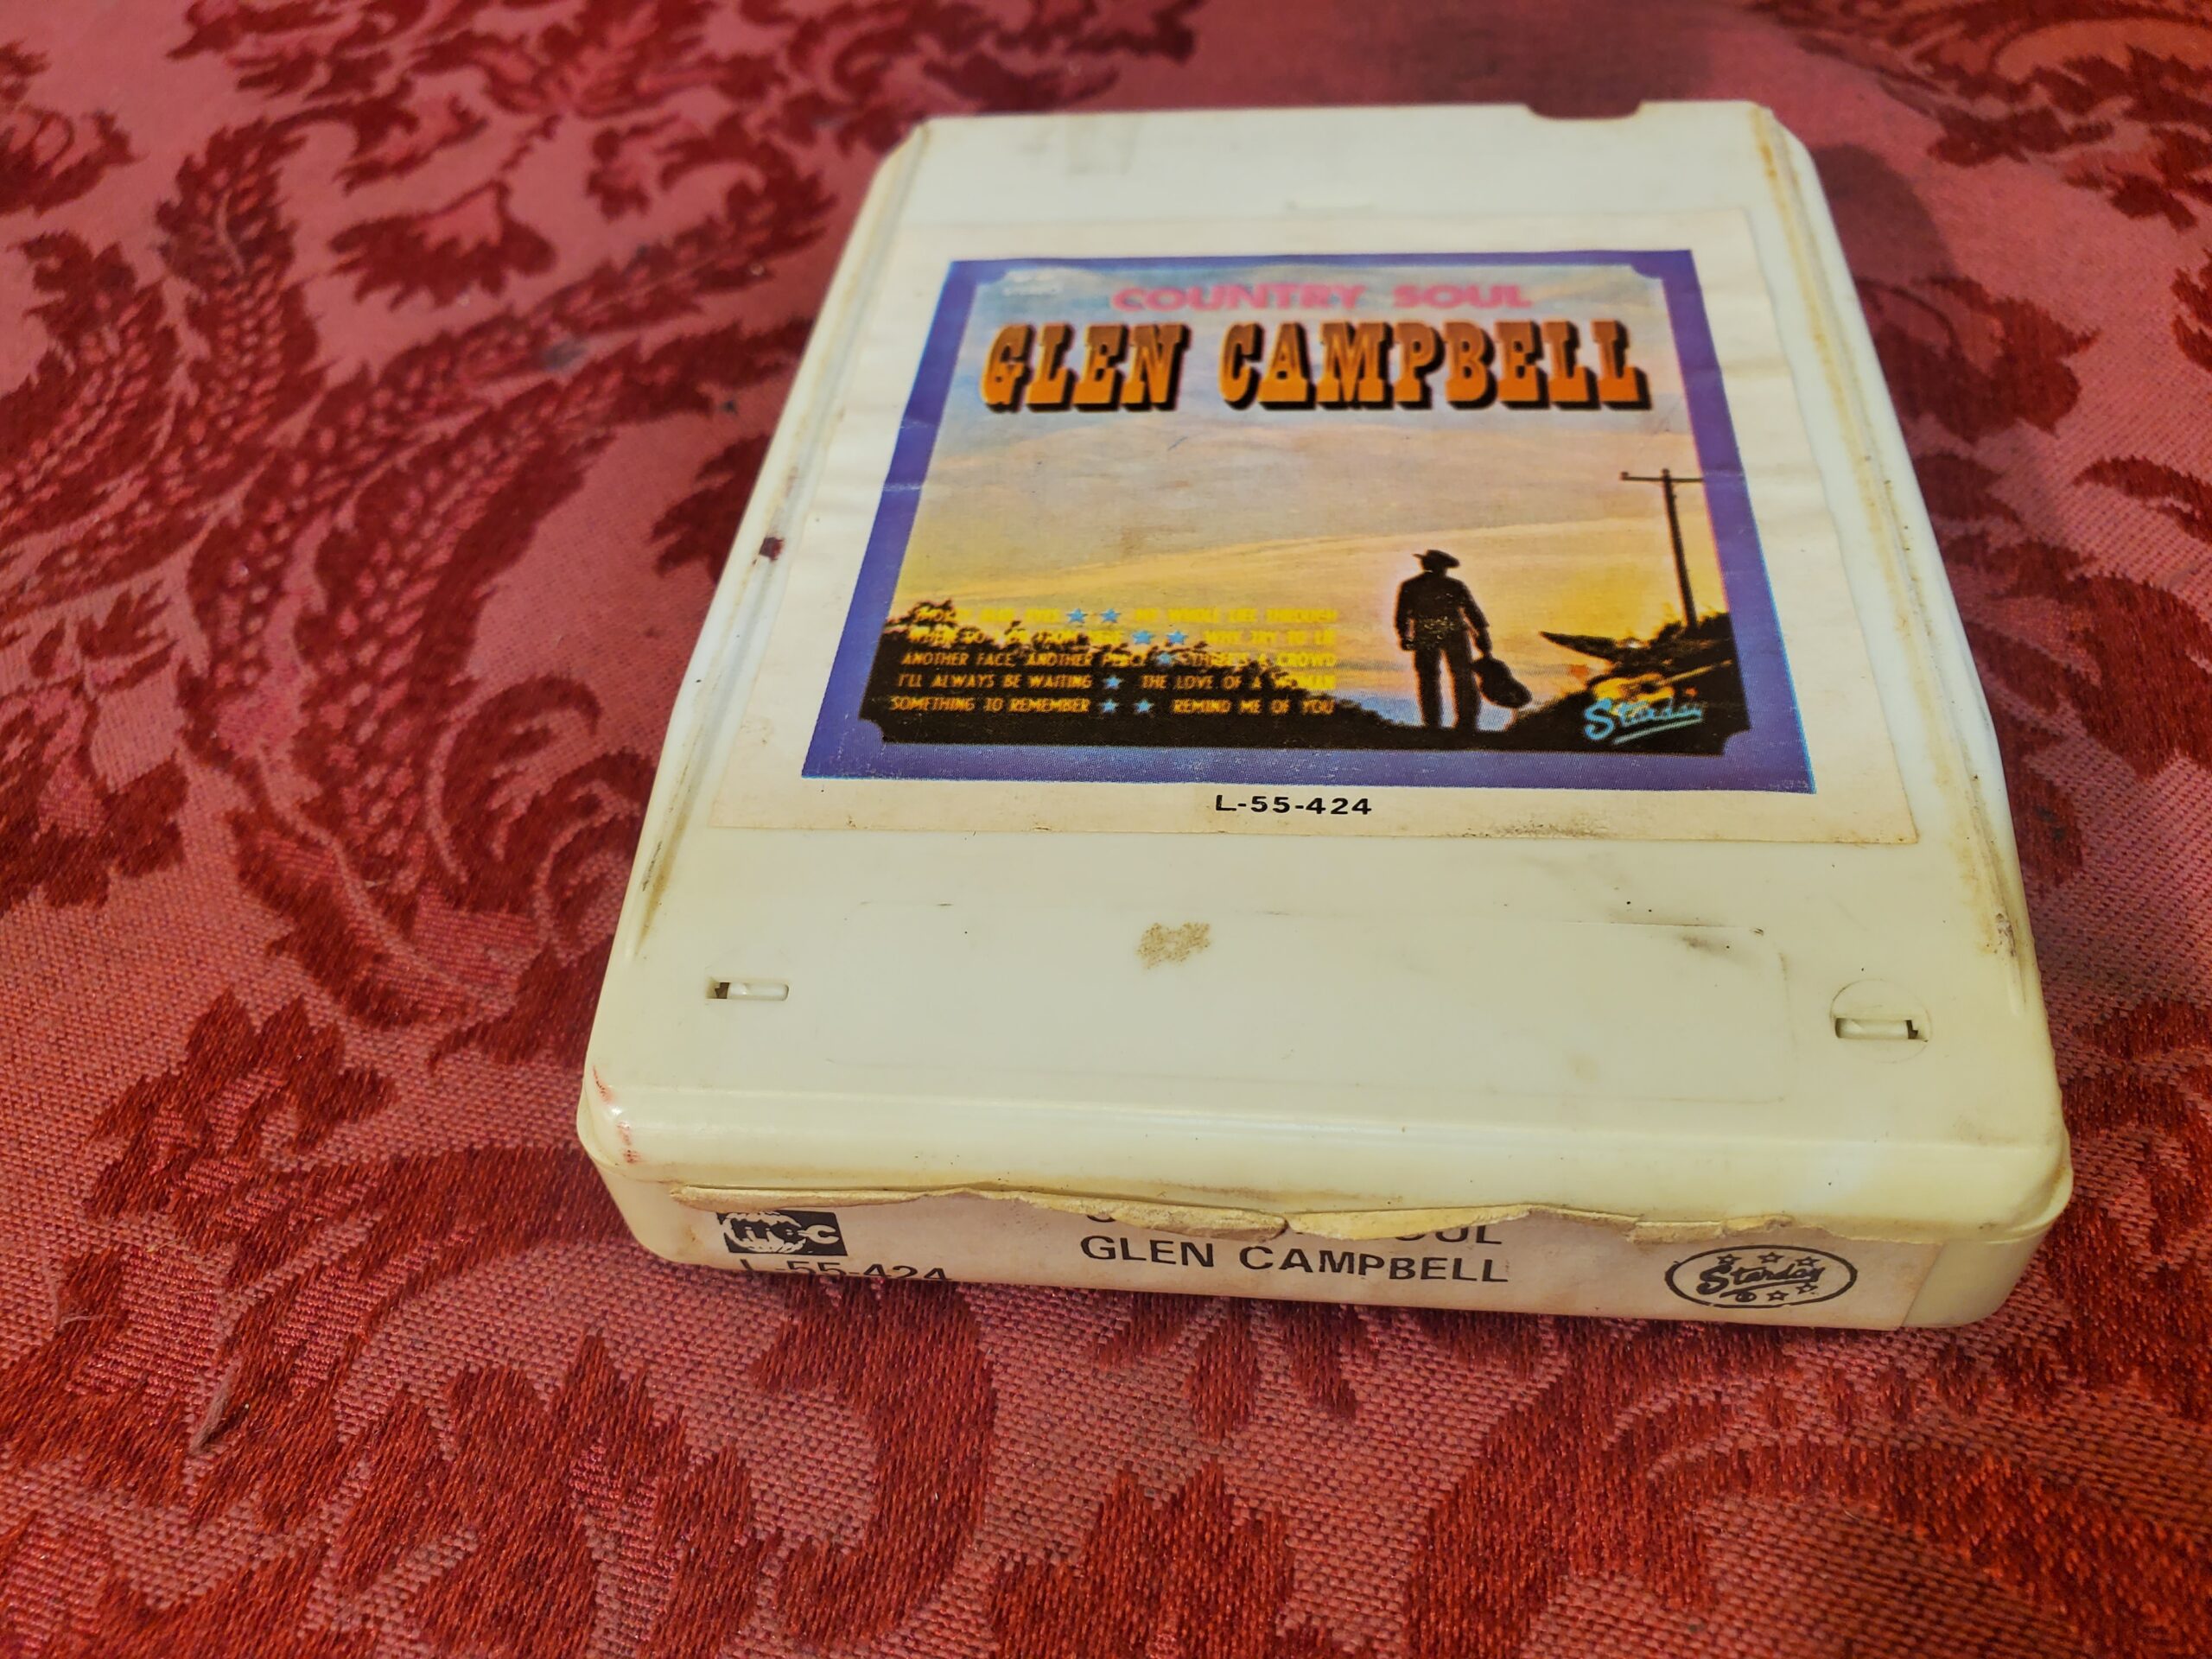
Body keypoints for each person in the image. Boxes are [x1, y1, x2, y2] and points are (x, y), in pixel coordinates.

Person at [1394, 550, 1491, 734]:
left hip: (1430, 633)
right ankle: (1462, 722)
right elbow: (1471, 611)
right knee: (1458, 676)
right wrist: (1483, 635)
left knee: (1432, 677)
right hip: (1451, 632)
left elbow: (1402, 615)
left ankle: (1435, 723)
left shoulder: (1411, 586)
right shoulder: (1453, 586)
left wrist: (1404, 635)